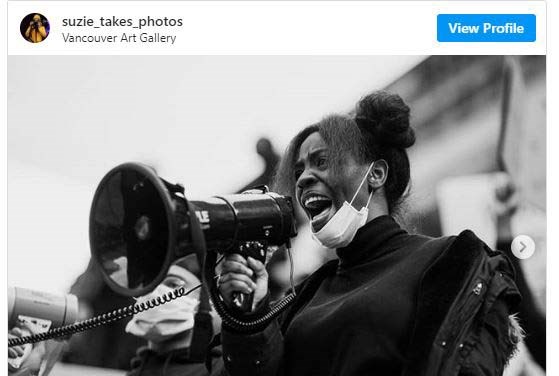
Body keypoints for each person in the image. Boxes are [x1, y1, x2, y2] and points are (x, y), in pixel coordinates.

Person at [217, 90, 522, 376]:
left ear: (375, 174)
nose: (304, 179)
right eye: (299, 172)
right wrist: (250, 314)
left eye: (322, 161)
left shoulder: (453, 261)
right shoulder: (304, 295)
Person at [126, 255, 225, 376]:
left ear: (209, 304)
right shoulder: (137, 372)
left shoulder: (222, 369)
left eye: (173, 284)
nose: (155, 293)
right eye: (149, 284)